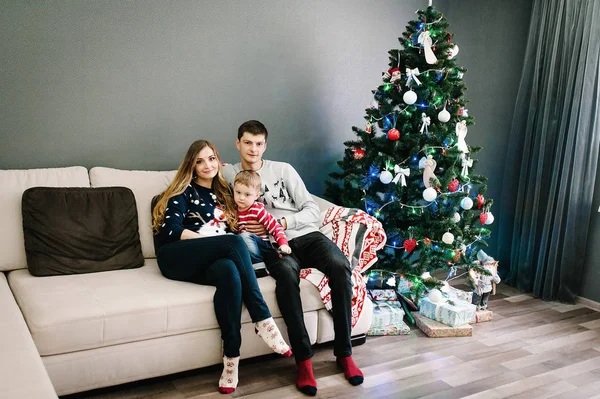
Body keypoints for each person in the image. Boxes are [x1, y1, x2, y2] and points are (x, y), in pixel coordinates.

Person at [223, 120, 364, 396]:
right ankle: (304, 361)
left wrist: (284, 224)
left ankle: (345, 353)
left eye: (259, 143)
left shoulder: (283, 170)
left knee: (339, 266)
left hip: (306, 235)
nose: (254, 149)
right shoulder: (229, 174)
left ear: (266, 145)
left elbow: (312, 209)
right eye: (248, 142)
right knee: (287, 278)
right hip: (273, 246)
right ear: (237, 143)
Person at [152, 140, 291, 395]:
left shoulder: (226, 193)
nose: (207, 165)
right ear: (191, 166)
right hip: (176, 257)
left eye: (212, 158)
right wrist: (214, 242)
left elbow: (242, 222)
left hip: (210, 261)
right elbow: (170, 231)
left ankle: (231, 360)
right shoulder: (184, 191)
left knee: (229, 270)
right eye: (200, 161)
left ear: (219, 161)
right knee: (230, 244)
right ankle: (263, 318)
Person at [232, 170, 291, 265]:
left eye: (247, 194)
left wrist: (283, 243)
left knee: (245, 236)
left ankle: (259, 266)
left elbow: (275, 227)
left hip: (263, 247)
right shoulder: (234, 210)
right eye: (238, 192)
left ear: (256, 195)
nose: (241, 198)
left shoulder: (257, 210)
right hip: (246, 249)